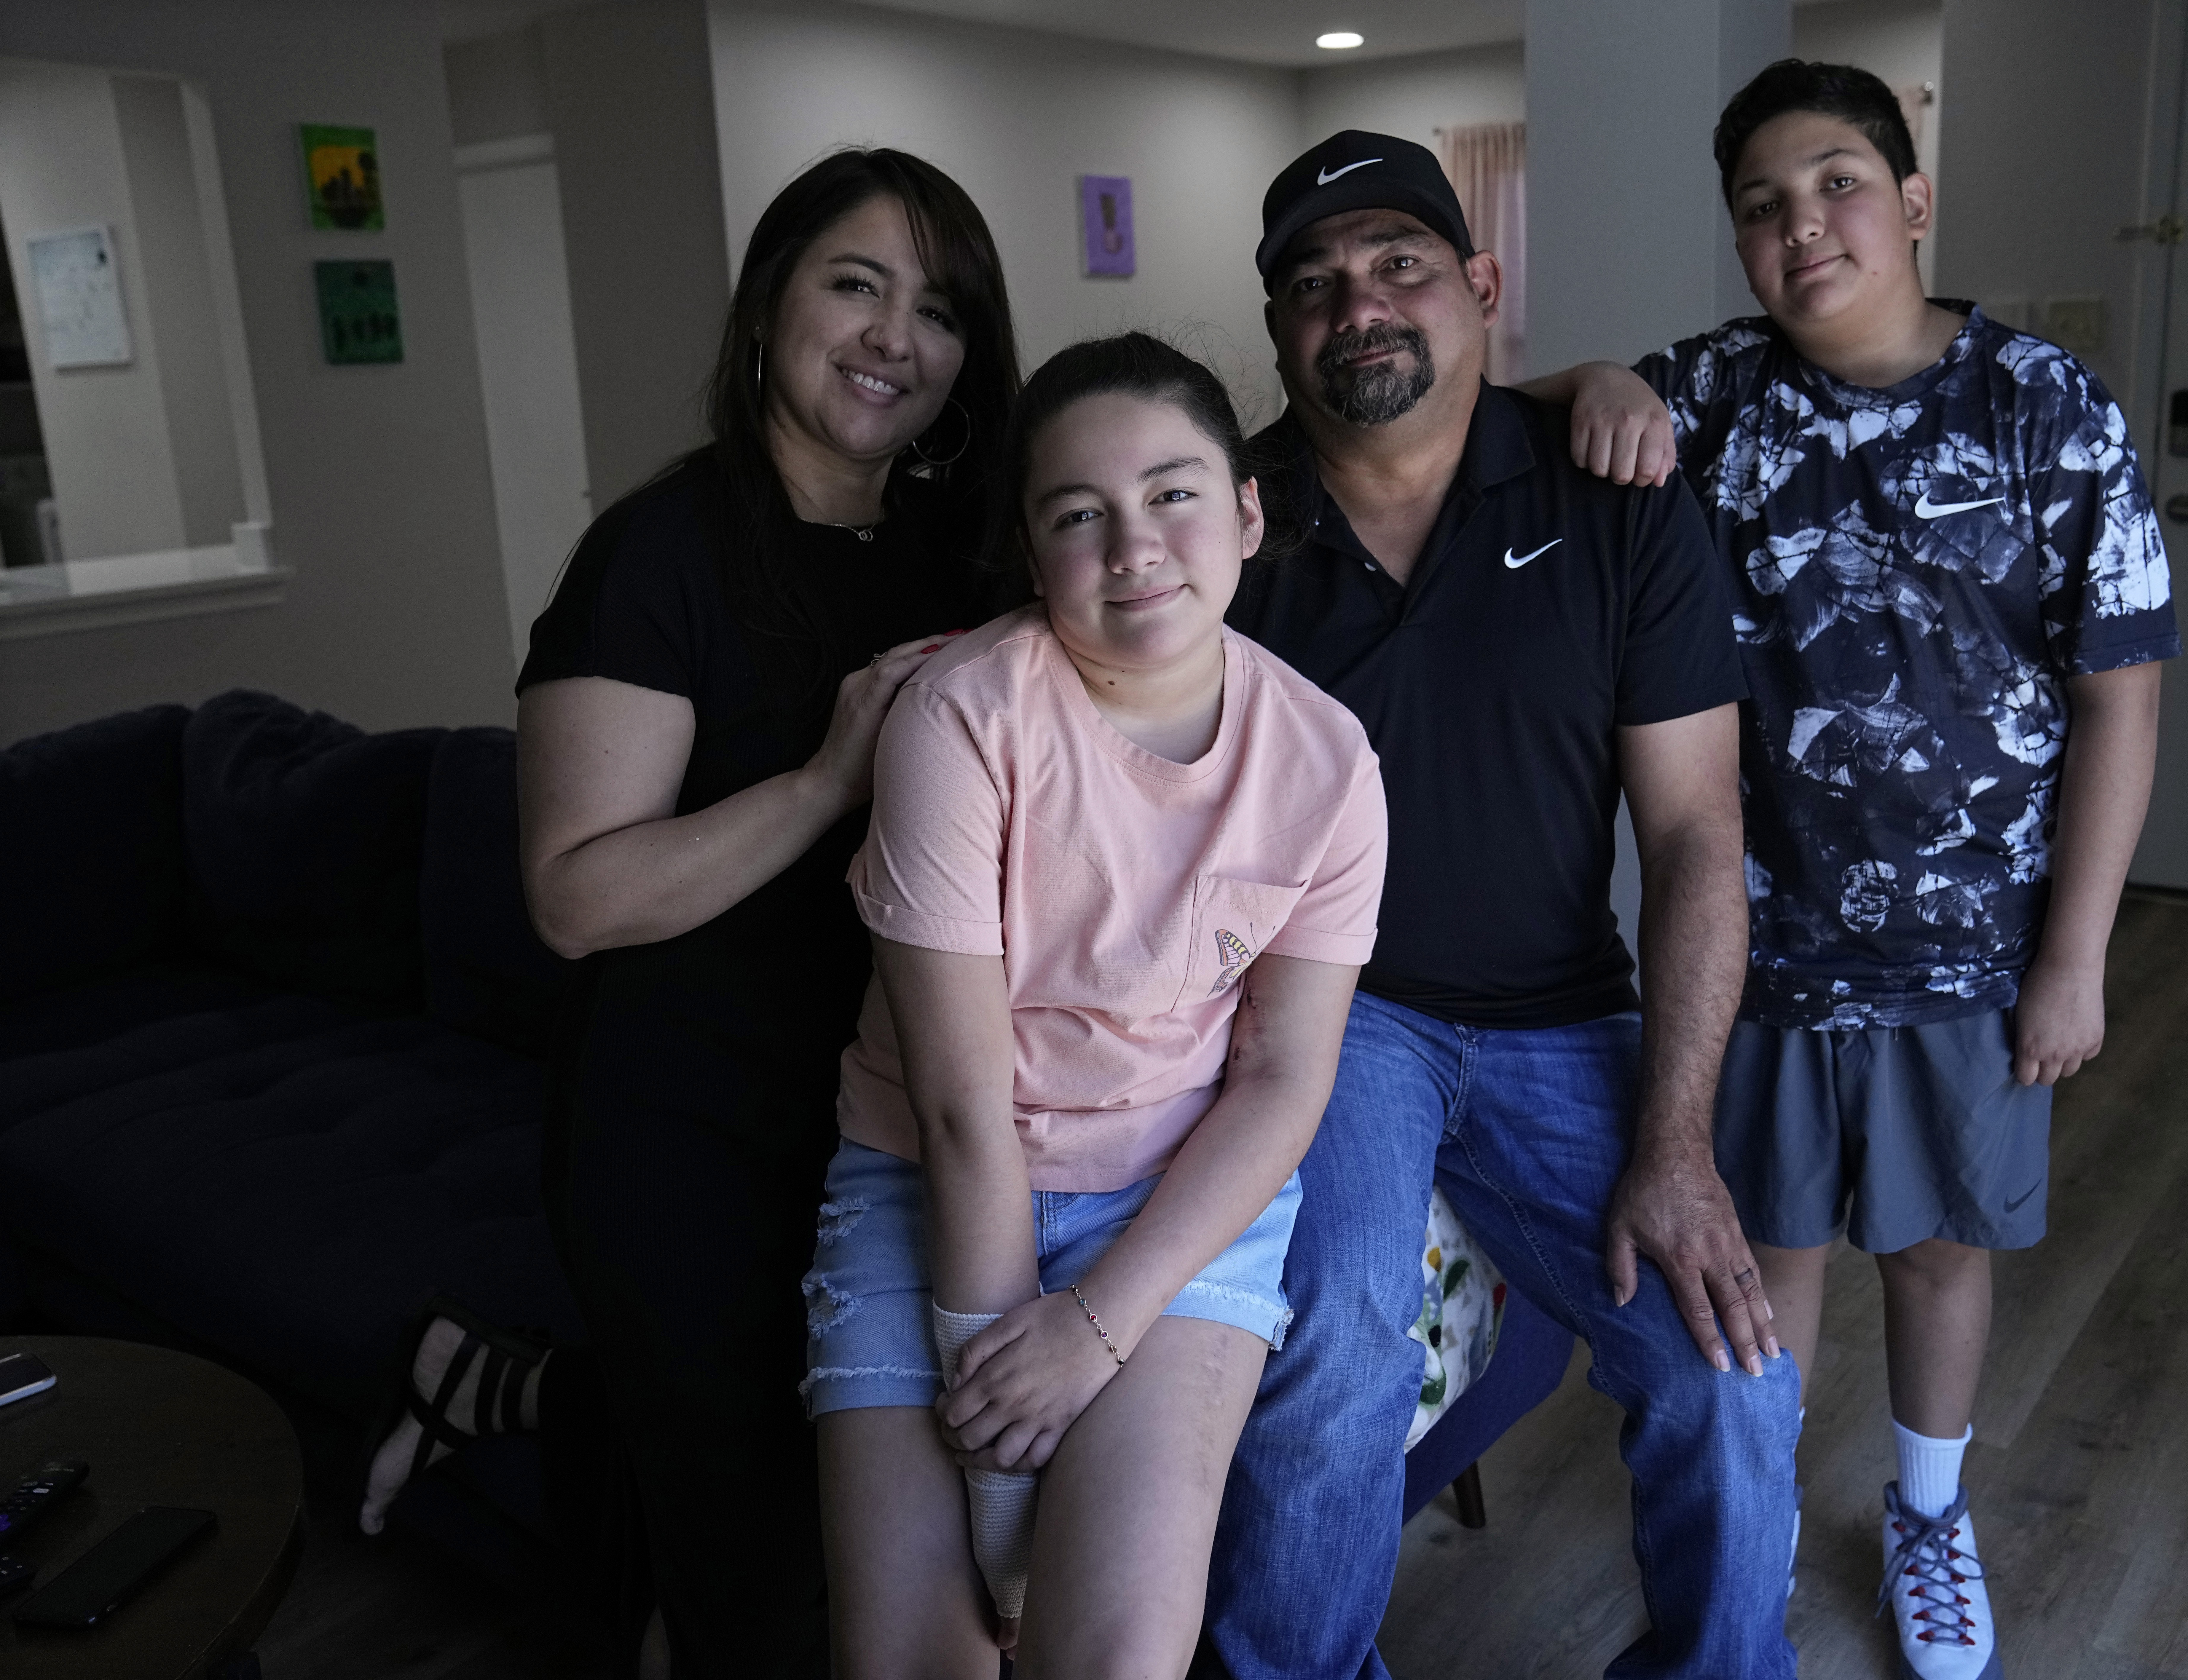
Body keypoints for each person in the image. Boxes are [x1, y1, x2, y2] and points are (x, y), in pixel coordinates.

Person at [1525, 60, 2179, 1680]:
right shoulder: (1715, 399)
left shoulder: (2046, 405)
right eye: (1758, 205)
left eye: (1831, 183)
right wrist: (1596, 376)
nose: (1798, 224)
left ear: (1911, 200)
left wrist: (2076, 956)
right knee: (1764, 1256)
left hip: (1974, 945)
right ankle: (1743, 1544)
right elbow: (1519, 407)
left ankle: (1928, 1516)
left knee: (1940, 1246)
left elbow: (2121, 695)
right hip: (1757, 941)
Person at [357, 148, 1019, 1679]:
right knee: (764, 1576)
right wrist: (823, 777)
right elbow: (573, 895)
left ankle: (484, 1386)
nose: (891, 337)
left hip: (883, 1121)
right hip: (685, 1136)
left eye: (938, 309)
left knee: (843, 1489)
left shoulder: (958, 545)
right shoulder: (657, 552)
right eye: (855, 283)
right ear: (773, 297)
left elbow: (1184, 477)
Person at [1202, 132, 1800, 1680]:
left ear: (1480, 287)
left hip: (1559, 1007)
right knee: (1334, 1344)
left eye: (1400, 264)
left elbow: (1690, 836)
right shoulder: (1222, 533)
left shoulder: (1617, 498)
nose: (1360, 305)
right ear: (1277, 331)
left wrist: (1672, 1144)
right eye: (1314, 284)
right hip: (1333, 1017)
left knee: (1728, 1368)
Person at [804, 332, 1386, 1680]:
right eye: (1080, 514)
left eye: (1174, 493)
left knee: (1112, 1656)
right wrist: (1000, 1476)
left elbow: (1282, 1081)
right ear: (1032, 545)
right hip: (926, 1185)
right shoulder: (961, 716)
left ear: (1247, 510)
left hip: (1168, 1206)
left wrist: (1094, 1327)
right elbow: (958, 1109)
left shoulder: (1328, 761)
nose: (1134, 545)